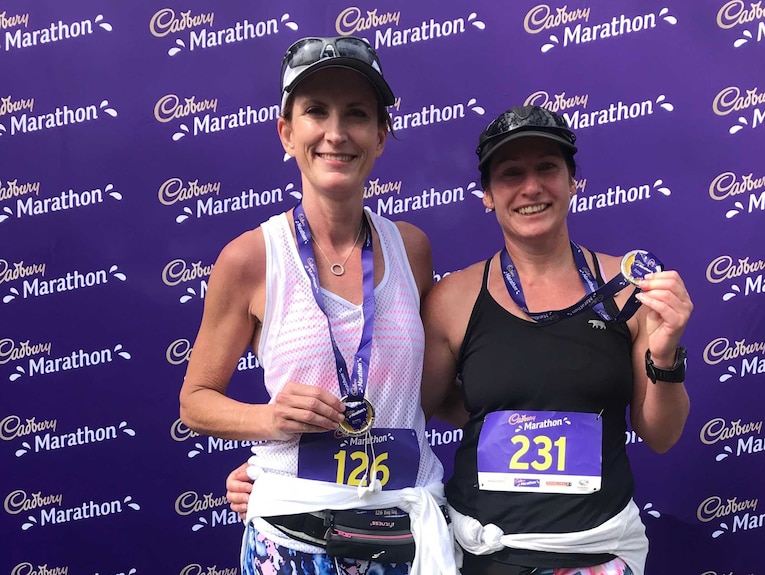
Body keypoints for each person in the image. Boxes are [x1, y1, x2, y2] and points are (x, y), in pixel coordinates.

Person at [227, 105, 693, 575]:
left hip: (599, 551)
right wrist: (275, 472)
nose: (531, 187)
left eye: (547, 168)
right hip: (482, 553)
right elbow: (399, 415)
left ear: (574, 181)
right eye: (510, 174)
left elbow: (661, 434)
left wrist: (667, 353)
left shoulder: (631, 291)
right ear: (488, 196)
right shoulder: (453, 299)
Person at [179, 36, 456, 575]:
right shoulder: (250, 258)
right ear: (287, 132)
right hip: (294, 541)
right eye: (315, 112)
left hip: (408, 534)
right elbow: (195, 401)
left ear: (381, 136)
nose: (336, 133)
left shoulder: (412, 249)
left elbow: (427, 391)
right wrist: (268, 420)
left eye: (356, 113)